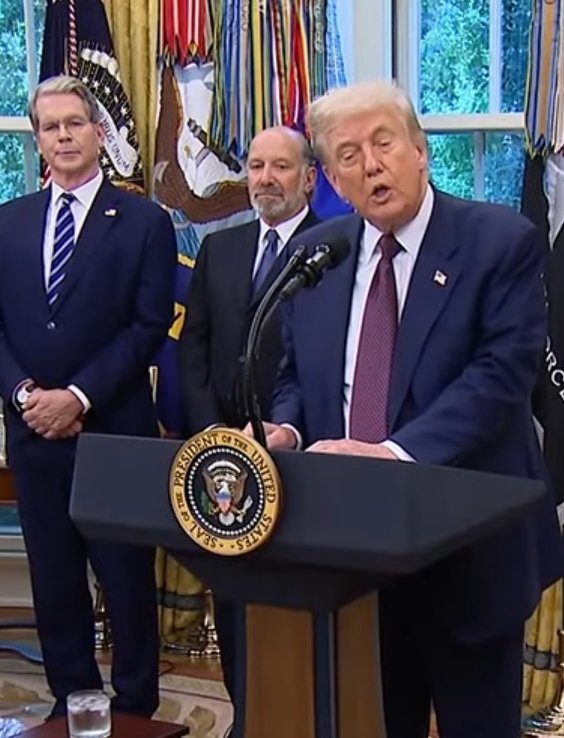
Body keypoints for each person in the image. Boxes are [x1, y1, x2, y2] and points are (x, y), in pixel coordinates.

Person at [253, 80, 564, 738]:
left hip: (470, 550)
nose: (371, 164)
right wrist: (287, 427)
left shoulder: (498, 241)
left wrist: (392, 454)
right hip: (353, 558)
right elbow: (299, 378)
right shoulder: (319, 256)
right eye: (348, 154)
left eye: (384, 143)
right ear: (332, 178)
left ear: (419, 151)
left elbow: (499, 378)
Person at [0, 75, 174, 718]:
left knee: (126, 579)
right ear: (38, 139)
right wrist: (25, 395)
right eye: (51, 126)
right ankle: (71, 700)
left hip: (113, 433)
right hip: (33, 433)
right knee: (54, 578)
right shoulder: (8, 222)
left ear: (99, 133)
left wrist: (76, 396)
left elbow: (149, 325)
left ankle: (134, 707)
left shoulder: (144, 222)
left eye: (75, 123)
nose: (64, 136)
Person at [177, 125, 320, 738]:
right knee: (233, 599)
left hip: (300, 457)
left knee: (295, 602)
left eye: (280, 167)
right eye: (256, 166)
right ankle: (245, 719)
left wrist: (283, 430)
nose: (265, 179)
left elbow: (324, 364)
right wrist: (217, 438)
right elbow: (193, 352)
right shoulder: (221, 249)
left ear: (309, 178)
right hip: (224, 466)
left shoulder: (334, 250)